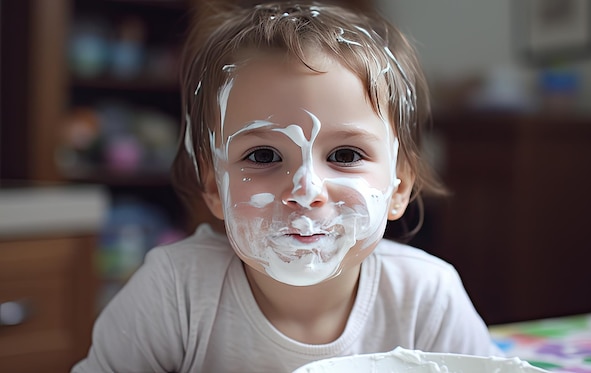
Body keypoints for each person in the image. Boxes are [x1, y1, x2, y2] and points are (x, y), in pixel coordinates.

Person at [73, 1, 501, 372]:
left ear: (398, 187)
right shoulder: (175, 293)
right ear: (212, 184)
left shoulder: (427, 297)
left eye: (346, 155)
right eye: (263, 156)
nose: (305, 189)